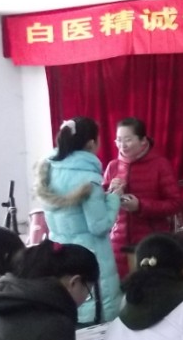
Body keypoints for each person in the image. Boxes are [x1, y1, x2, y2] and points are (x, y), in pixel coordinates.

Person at [35, 116, 121, 323]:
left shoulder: (48, 171)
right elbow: (98, 226)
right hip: (89, 257)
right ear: (91, 144)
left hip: (60, 255)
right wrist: (113, 199)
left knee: (69, 309)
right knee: (96, 318)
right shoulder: (87, 179)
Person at [103, 117, 182, 278]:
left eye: (128, 140)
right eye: (118, 140)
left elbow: (175, 203)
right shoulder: (113, 166)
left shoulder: (160, 165)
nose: (122, 145)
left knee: (150, 286)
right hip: (118, 244)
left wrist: (140, 206)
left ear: (143, 140)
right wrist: (110, 194)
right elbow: (100, 206)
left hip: (151, 243)